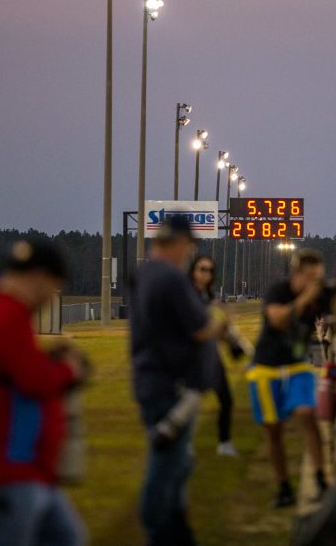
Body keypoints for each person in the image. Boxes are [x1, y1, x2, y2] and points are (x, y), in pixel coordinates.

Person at [0, 239, 89, 546]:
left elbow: (11, 370)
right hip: (8, 465)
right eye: (55, 288)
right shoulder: (8, 315)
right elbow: (34, 381)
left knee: (67, 538)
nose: (51, 297)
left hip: (25, 466)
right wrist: (69, 369)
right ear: (40, 278)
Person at [129, 217, 221, 546]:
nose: (189, 253)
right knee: (167, 465)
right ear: (179, 242)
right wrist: (219, 324)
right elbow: (199, 327)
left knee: (179, 464)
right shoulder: (170, 277)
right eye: (188, 245)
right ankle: (159, 531)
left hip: (150, 380)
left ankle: (177, 531)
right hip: (170, 388)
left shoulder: (146, 273)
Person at [248, 248, 336, 508]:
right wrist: (305, 298)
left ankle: (321, 478)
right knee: (273, 430)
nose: (313, 283)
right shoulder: (279, 290)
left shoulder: (319, 297)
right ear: (297, 274)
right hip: (266, 366)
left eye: (317, 277)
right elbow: (277, 319)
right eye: (309, 277)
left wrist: (333, 303)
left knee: (306, 413)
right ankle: (283, 487)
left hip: (297, 365)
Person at [188, 254, 250, 458]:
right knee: (190, 404)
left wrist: (231, 337)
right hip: (192, 359)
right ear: (193, 271)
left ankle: (224, 443)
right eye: (202, 269)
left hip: (212, 357)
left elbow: (218, 328)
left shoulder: (210, 297)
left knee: (226, 400)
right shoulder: (188, 296)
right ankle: (185, 444)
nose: (206, 274)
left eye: (210, 270)